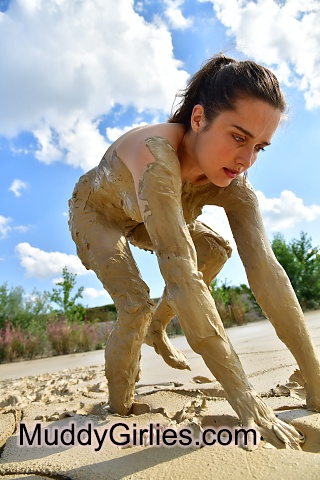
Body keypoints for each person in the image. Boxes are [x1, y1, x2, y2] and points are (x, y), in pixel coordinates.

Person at [69, 54, 320, 449]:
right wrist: (245, 398)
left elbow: (266, 270)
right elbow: (180, 272)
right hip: (100, 213)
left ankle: (159, 325)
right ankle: (118, 410)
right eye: (238, 138)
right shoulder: (156, 157)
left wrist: (315, 377)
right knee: (134, 304)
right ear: (199, 119)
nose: (246, 160)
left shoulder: (235, 179)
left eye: (260, 147)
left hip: (153, 213)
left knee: (215, 250)